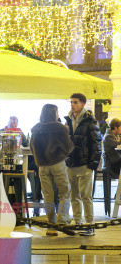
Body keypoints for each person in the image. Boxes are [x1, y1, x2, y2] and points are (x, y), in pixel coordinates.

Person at [30, 104, 73, 236]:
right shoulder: (60, 128)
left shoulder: (36, 129)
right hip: (57, 164)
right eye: (57, 112)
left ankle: (51, 226)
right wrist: (61, 154)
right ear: (54, 113)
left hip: (43, 166)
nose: (58, 114)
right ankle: (62, 221)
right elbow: (69, 147)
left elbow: (32, 147)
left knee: (48, 196)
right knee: (65, 192)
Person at [65, 93, 101, 236]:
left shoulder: (90, 121)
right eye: (71, 102)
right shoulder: (68, 120)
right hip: (71, 164)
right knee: (74, 196)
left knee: (86, 196)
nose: (72, 105)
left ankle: (89, 225)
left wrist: (92, 165)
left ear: (82, 104)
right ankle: (78, 222)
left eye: (75, 102)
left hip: (84, 164)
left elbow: (97, 145)